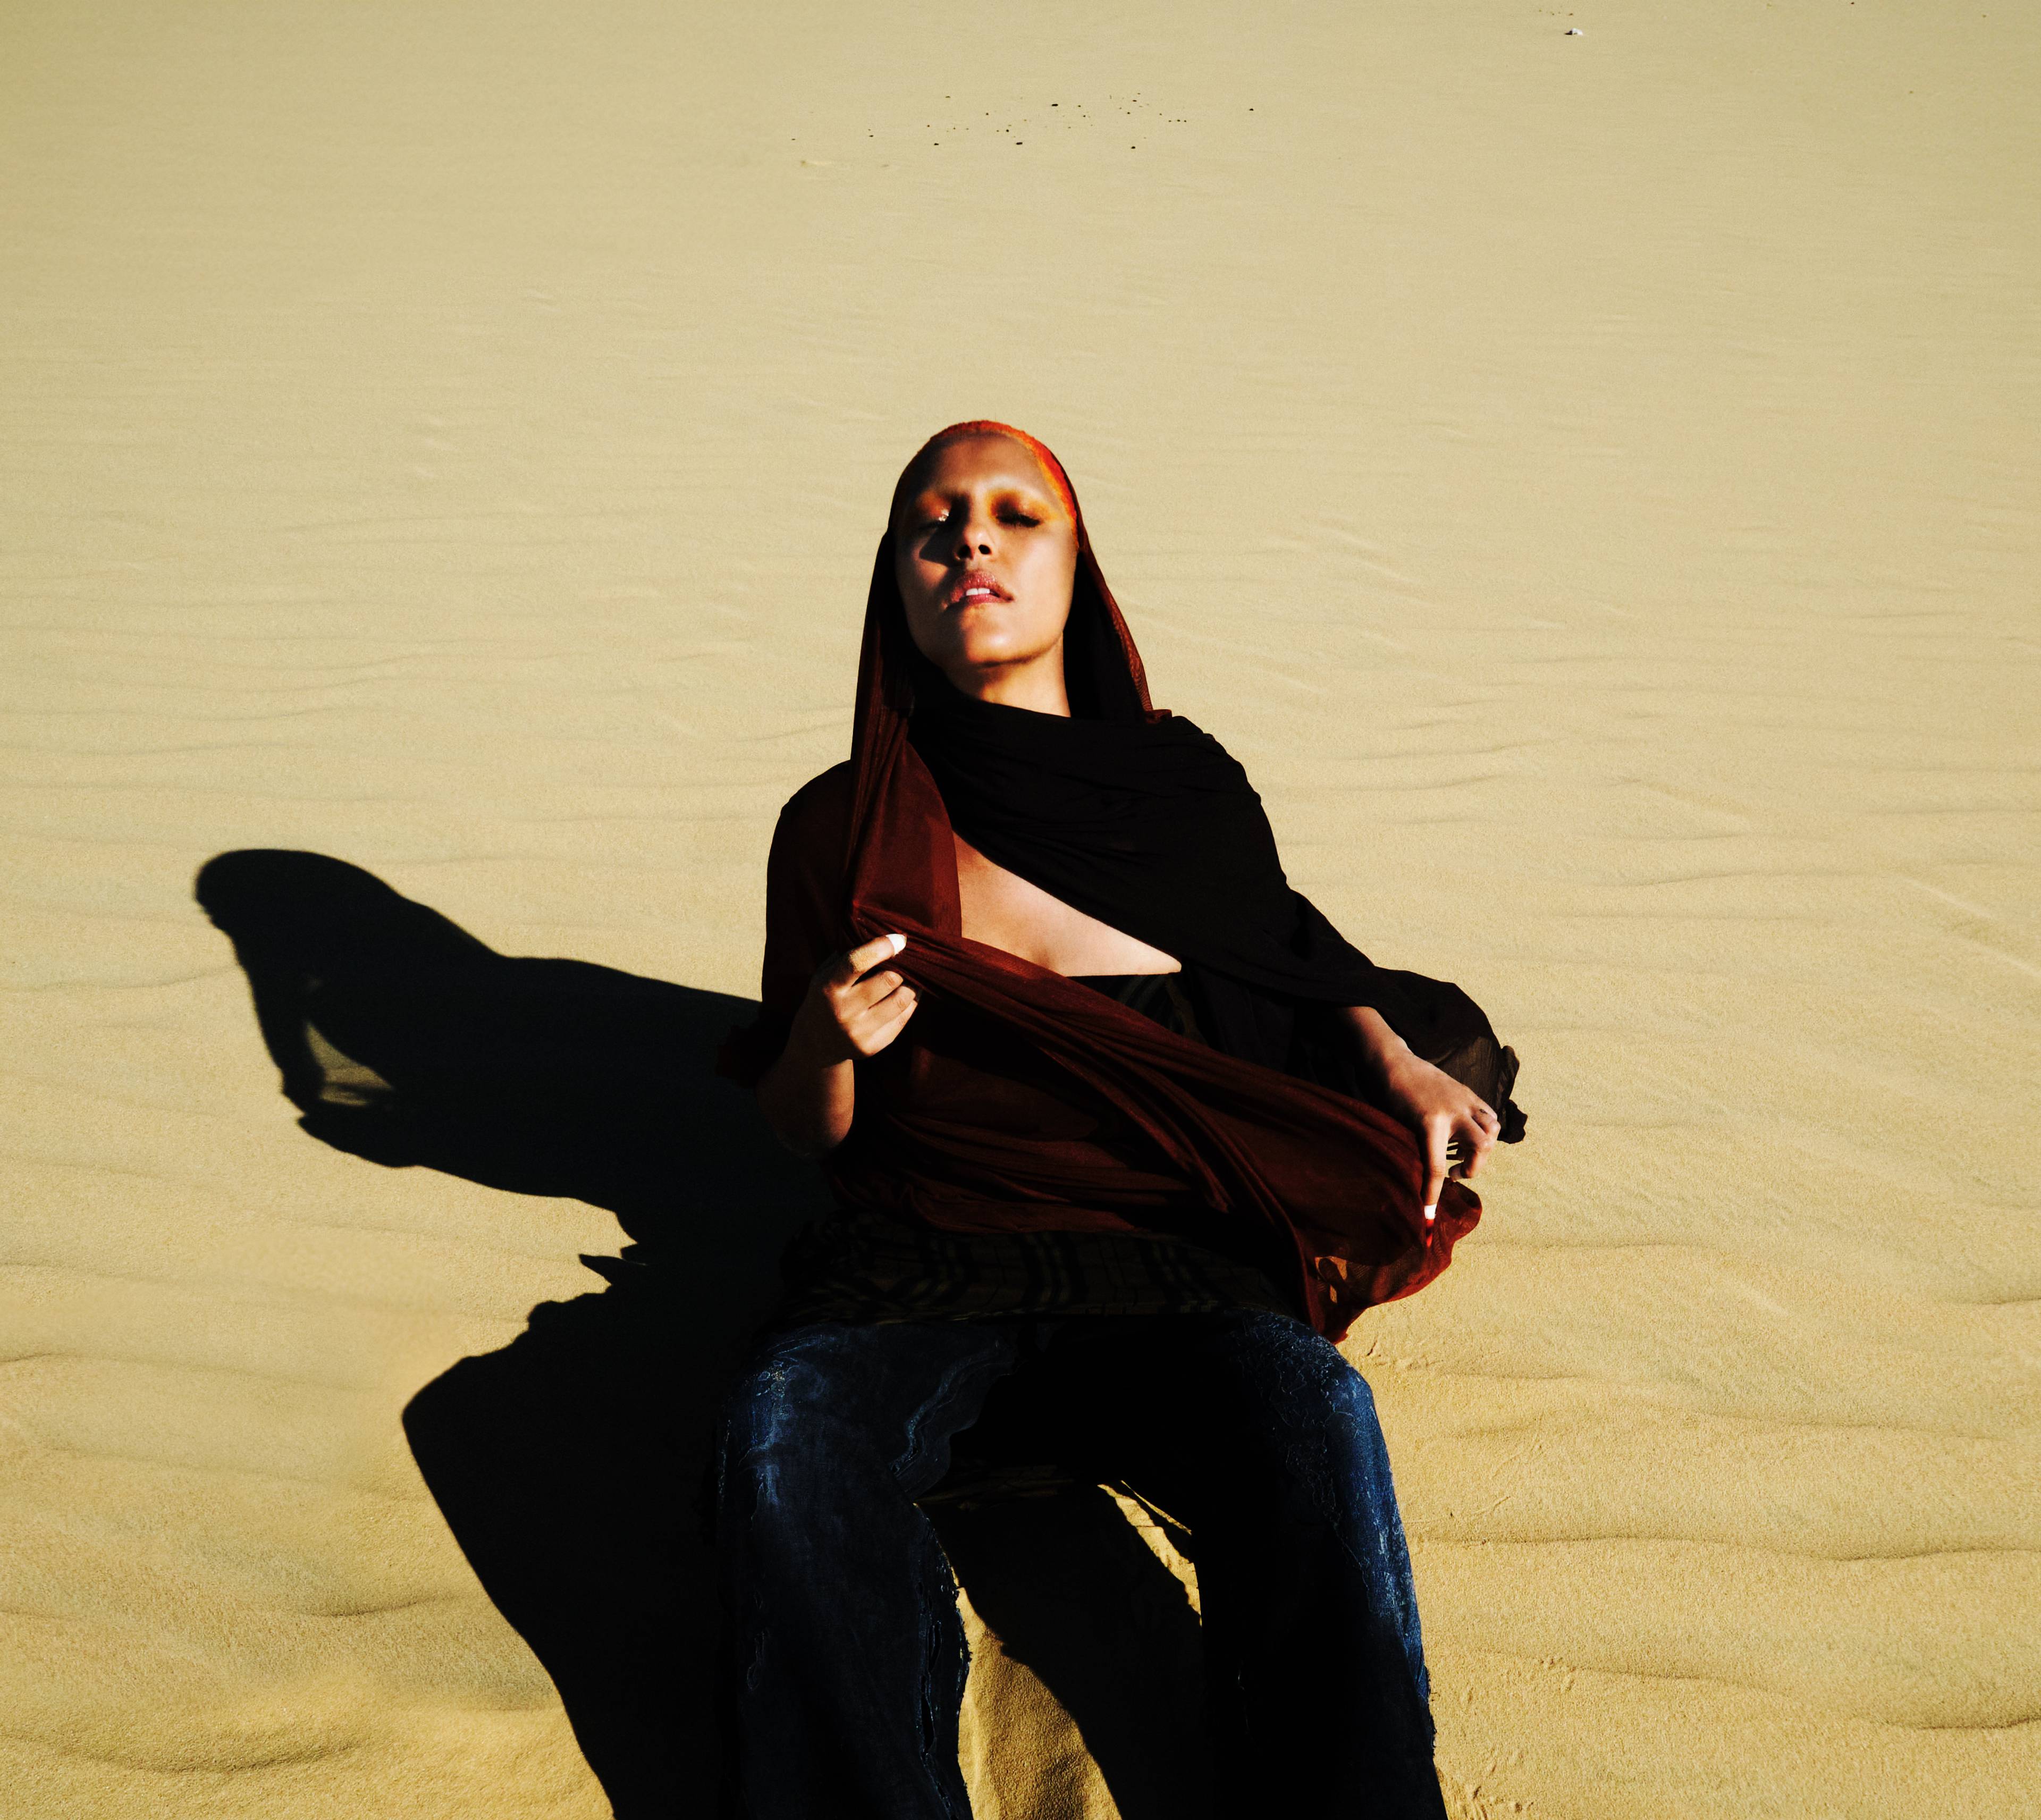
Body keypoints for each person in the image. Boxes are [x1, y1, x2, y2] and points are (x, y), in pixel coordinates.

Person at [715, 422, 1523, 1818]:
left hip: (1174, 1275)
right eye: (934, 522)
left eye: (1017, 515)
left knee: (1316, 1416)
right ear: (894, 585)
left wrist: (1390, 1060)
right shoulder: (837, 828)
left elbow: (1282, 952)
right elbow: (808, 1136)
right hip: (919, 1269)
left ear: (1077, 570)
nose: (972, 540)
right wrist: (821, 1044)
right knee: (785, 1434)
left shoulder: (1181, 793)